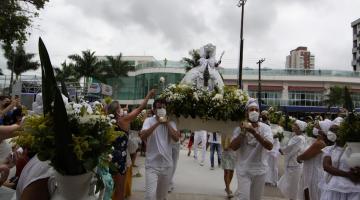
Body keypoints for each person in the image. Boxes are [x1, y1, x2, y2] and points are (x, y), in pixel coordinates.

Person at [108, 89, 155, 200]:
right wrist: (148, 95)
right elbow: (140, 109)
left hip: (109, 157)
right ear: (117, 111)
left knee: (110, 189)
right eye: (120, 107)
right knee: (120, 190)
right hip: (120, 158)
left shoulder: (109, 122)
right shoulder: (123, 120)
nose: (122, 109)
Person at [230, 98, 273, 200]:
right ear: (246, 113)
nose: (254, 112)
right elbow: (233, 147)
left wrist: (254, 132)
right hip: (244, 170)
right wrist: (243, 132)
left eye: (256, 110)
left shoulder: (265, 128)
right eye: (251, 109)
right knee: (243, 198)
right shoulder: (239, 128)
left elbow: (270, 146)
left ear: (259, 113)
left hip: (260, 170)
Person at [139, 99, 180, 200]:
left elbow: (176, 138)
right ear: (154, 109)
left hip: (167, 166)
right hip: (152, 165)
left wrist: (166, 123)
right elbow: (143, 136)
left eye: (164, 107)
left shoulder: (171, 123)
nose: (162, 109)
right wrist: (157, 123)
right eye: (159, 108)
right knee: (149, 196)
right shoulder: (148, 121)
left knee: (161, 197)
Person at [320, 118, 360, 200]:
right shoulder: (330, 149)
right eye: (331, 130)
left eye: (335, 130)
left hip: (353, 188)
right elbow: (326, 166)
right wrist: (347, 174)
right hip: (335, 187)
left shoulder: (354, 148)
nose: (331, 133)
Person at [296, 119, 331, 200]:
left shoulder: (319, 143)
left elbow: (305, 156)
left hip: (313, 173)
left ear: (322, 131)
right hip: (310, 170)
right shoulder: (317, 141)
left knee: (309, 195)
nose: (315, 128)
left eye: (317, 127)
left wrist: (298, 158)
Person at [278, 120, 307, 200]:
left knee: (292, 187)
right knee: (291, 186)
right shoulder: (296, 136)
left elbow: (289, 148)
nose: (293, 126)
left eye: (295, 125)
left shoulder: (299, 138)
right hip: (293, 164)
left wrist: (281, 150)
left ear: (299, 128)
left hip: (294, 165)